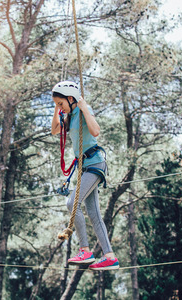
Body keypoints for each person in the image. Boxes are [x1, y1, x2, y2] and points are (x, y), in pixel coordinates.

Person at [51, 81, 119, 270]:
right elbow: (54, 130)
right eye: (58, 104)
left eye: (61, 103)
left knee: (72, 203)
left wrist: (83, 108)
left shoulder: (82, 110)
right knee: (94, 214)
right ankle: (110, 256)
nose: (60, 107)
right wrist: (57, 109)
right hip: (84, 168)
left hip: (94, 164)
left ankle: (85, 250)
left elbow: (96, 131)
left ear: (71, 99)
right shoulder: (70, 115)